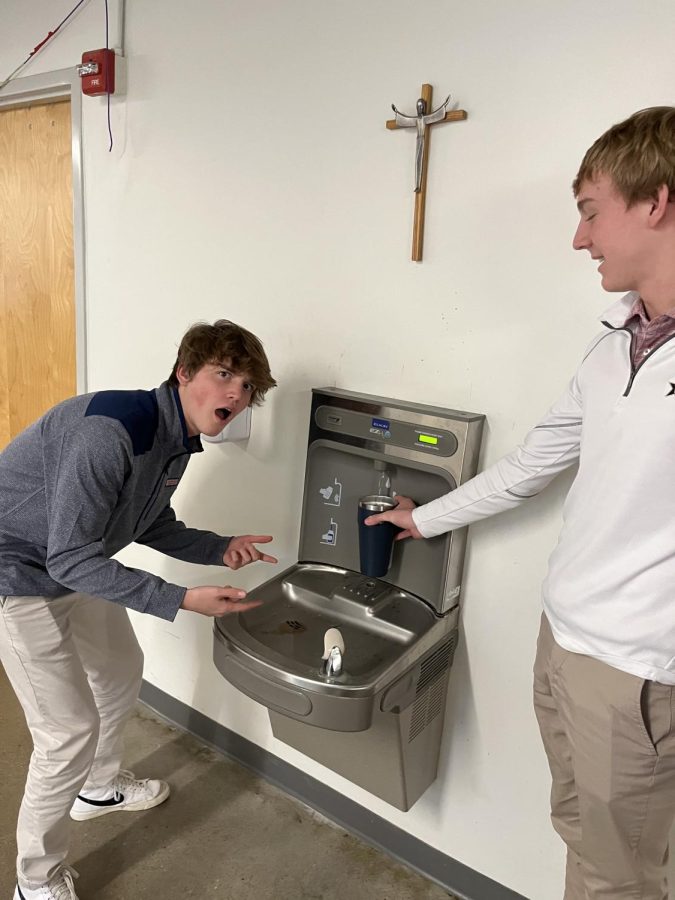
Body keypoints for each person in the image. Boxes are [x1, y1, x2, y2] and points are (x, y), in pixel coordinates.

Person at [367, 106, 675, 899]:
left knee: (629, 875)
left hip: (636, 673)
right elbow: (533, 463)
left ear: (656, 203)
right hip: (562, 642)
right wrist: (422, 517)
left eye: (588, 211)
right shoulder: (614, 344)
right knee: (578, 831)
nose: (580, 239)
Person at [0, 319, 277, 900]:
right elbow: (69, 558)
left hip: (75, 559)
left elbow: (149, 523)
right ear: (184, 373)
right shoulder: (111, 433)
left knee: (121, 668)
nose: (236, 394)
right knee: (65, 731)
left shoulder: (173, 440)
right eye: (223, 375)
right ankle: (34, 880)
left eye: (247, 386)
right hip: (18, 572)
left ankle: (97, 789)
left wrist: (218, 547)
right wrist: (179, 598)